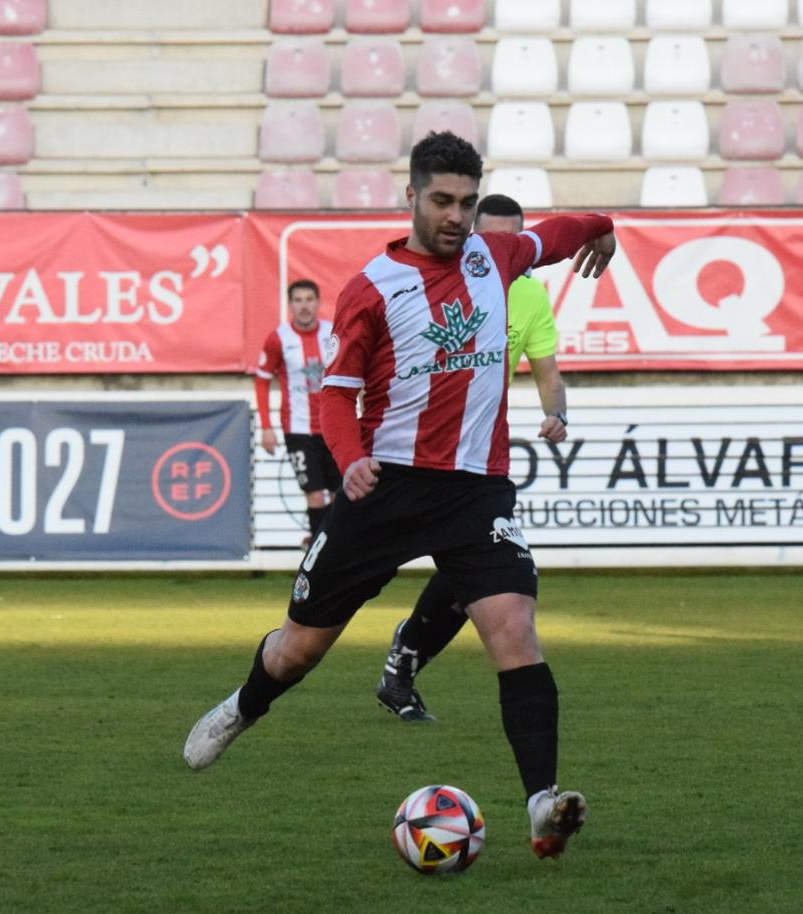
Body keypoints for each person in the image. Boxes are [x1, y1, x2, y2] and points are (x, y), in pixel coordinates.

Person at [183, 132, 616, 860]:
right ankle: (242, 707)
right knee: (299, 650)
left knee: (514, 631)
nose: (456, 216)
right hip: (384, 487)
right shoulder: (372, 291)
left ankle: (542, 803)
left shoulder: (498, 257)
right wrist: (349, 462)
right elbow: (333, 402)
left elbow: (561, 231)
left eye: (468, 203)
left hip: (475, 492)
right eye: (442, 200)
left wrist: (606, 230)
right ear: (410, 196)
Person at [375, 192, 571, 724]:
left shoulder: (530, 296)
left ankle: (403, 663)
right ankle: (308, 658)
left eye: (514, 241)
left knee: (484, 574)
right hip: (409, 451)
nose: (503, 250)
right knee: (350, 582)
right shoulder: (431, 279)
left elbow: (548, 372)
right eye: (492, 237)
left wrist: (559, 413)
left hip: (479, 458)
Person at [254, 278, 338, 541]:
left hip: (334, 427)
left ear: (318, 303)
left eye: (309, 300)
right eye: (298, 300)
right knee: (314, 494)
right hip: (298, 429)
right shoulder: (278, 339)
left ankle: (336, 549)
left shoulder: (333, 333)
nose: (304, 306)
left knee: (342, 492)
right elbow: (262, 380)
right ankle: (319, 554)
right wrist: (266, 426)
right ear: (290, 305)